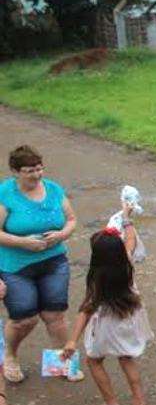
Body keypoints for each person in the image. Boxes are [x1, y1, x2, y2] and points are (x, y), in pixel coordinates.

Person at [0, 145, 80, 383]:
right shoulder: (5, 193)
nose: (36, 175)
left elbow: (72, 220)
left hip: (53, 261)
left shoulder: (54, 190)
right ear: (15, 171)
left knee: (55, 315)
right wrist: (22, 242)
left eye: (39, 169)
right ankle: (10, 356)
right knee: (24, 318)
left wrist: (61, 235)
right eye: (29, 171)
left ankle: (61, 363)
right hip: (16, 266)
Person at [62, 230, 153, 405]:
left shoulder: (98, 278)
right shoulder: (127, 263)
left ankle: (111, 403)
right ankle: (139, 400)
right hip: (128, 319)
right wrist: (127, 217)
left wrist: (72, 340)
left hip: (107, 324)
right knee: (126, 357)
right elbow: (131, 239)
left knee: (94, 361)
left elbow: (86, 310)